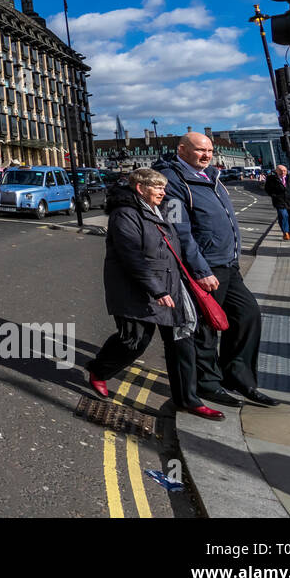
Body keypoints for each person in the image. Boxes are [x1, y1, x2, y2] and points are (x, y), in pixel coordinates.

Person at [86, 169, 221, 420]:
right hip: (135, 289)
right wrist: (156, 289)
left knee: (182, 342)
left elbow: (179, 240)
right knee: (134, 341)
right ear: (140, 188)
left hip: (172, 284)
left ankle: (188, 400)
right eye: (157, 187)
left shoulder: (166, 208)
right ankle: (99, 370)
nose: (163, 192)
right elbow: (131, 257)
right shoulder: (124, 214)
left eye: (163, 187)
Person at [156, 132, 279, 408]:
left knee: (248, 315)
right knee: (206, 329)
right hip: (205, 266)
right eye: (201, 150)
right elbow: (180, 232)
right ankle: (208, 384)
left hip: (228, 263)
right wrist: (200, 269)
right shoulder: (173, 180)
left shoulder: (210, 176)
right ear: (183, 149)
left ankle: (237, 376)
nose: (207, 154)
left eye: (210, 150)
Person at [264, 164, 290, 242]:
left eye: (284, 170)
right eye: (280, 171)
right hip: (280, 201)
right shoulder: (271, 179)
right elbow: (267, 189)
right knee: (283, 215)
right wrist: (274, 196)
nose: (283, 172)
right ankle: (286, 233)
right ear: (276, 171)